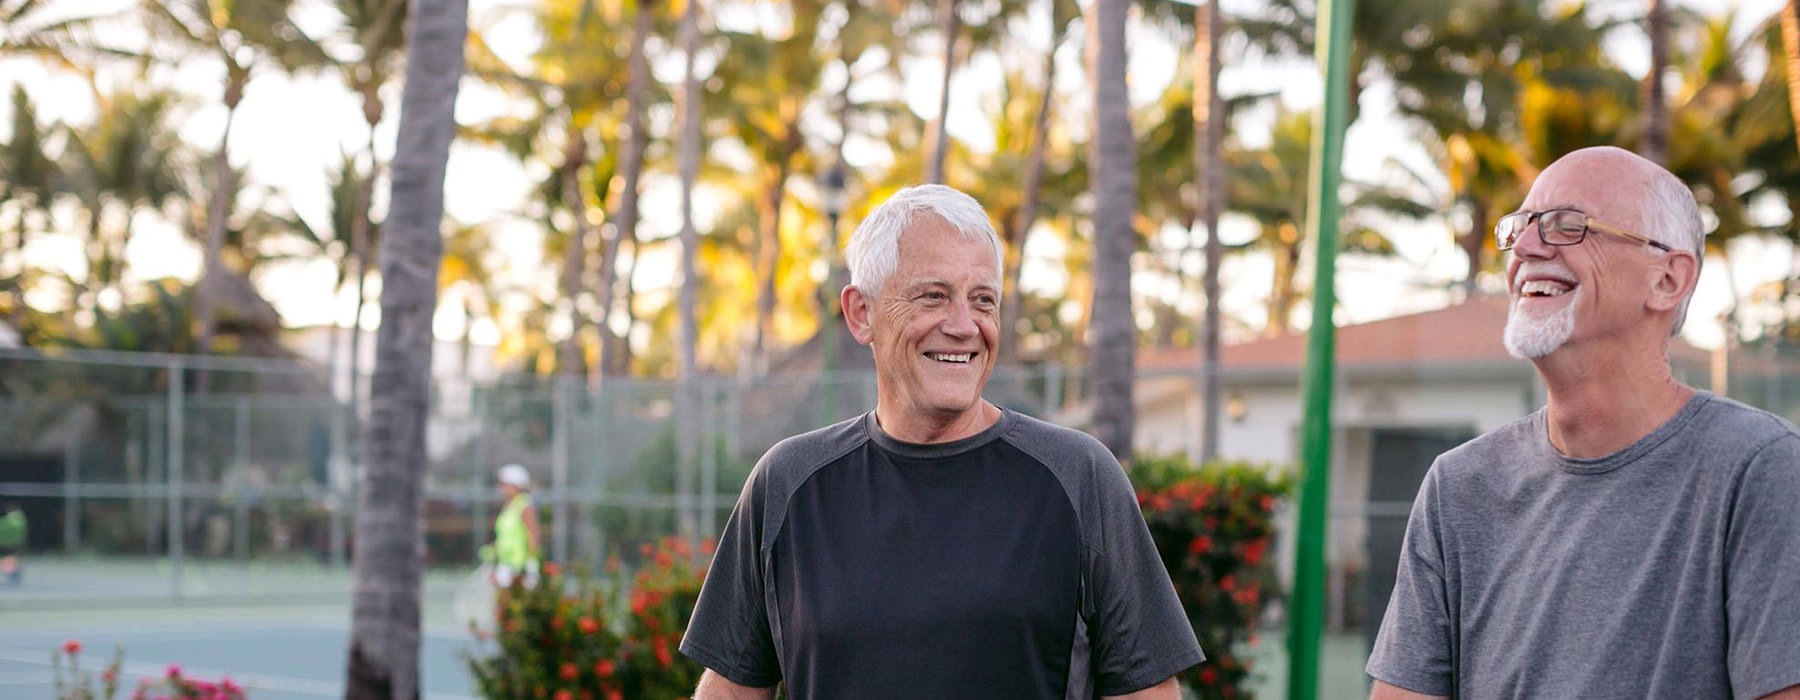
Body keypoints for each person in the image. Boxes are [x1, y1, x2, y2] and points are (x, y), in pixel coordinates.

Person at [681, 184, 1203, 700]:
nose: (964, 326)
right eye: (933, 296)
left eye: (983, 300)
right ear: (861, 313)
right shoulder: (788, 483)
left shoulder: (1080, 475)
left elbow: (1147, 691)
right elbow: (730, 690)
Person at [1366, 146, 1800, 700]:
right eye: (1519, 227)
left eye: (1567, 226)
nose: (1523, 247)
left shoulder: (1762, 471)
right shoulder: (1458, 486)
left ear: (1667, 278)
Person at [485, 464, 541, 589]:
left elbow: (534, 535)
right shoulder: (507, 507)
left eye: (505, 484)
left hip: (519, 567)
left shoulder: (525, 506)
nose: (502, 488)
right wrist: (493, 553)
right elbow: (505, 537)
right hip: (505, 564)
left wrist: (531, 565)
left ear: (516, 486)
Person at [0, 502, 24, 586]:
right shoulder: (19, 520)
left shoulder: (9, 521)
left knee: (9, 559)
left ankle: (12, 572)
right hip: (11, 543)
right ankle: (12, 572)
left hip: (9, 543)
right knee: (10, 559)